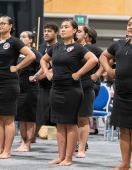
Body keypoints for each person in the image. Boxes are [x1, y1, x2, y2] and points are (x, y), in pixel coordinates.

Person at [40, 19, 98, 166]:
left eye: (66, 27)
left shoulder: (78, 47)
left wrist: (78, 73)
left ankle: (69, 158)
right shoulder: (56, 47)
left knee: (71, 124)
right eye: (62, 27)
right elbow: (43, 60)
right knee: (59, 123)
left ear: (74, 31)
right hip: (56, 89)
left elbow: (93, 59)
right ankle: (60, 157)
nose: (63, 29)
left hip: (72, 90)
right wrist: (47, 73)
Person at [0, 16, 35, 159]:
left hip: (9, 83)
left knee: (8, 118)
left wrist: (17, 67)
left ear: (10, 26)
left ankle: (7, 151)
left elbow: (30, 56)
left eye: (3, 23)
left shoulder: (14, 42)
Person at [99, 17, 132, 170]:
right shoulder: (119, 44)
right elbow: (103, 56)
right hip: (121, 92)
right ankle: (125, 163)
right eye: (129, 24)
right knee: (124, 128)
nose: (130, 27)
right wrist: (109, 71)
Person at [30, 22, 59, 141]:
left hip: (54, 86)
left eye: (49, 31)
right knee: (39, 114)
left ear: (56, 33)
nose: (46, 33)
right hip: (41, 87)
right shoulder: (41, 48)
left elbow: (55, 67)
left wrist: (38, 76)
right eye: (45, 31)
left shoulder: (58, 47)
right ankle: (32, 138)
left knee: (58, 116)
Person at [75, 25, 101, 158]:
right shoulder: (71, 48)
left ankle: (82, 147)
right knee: (72, 118)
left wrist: (97, 75)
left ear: (86, 35)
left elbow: (107, 60)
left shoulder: (93, 49)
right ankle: (76, 143)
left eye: (79, 31)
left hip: (87, 85)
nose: (76, 33)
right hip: (71, 87)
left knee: (82, 117)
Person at [14, 31, 42, 152]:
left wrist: (35, 76)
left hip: (30, 89)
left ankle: (27, 144)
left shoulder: (35, 53)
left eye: (24, 37)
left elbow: (46, 66)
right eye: (20, 37)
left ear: (31, 40)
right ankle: (23, 141)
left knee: (29, 117)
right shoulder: (18, 54)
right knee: (21, 117)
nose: (21, 38)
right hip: (18, 88)